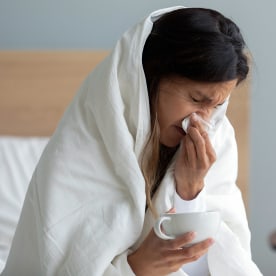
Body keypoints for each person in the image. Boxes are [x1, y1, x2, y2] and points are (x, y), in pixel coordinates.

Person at [2, 6, 262, 276]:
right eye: (196, 99)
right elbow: (56, 263)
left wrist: (190, 190)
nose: (203, 120)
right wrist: (138, 267)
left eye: (217, 105)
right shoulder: (78, 153)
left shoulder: (217, 138)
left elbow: (219, 266)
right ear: (148, 78)